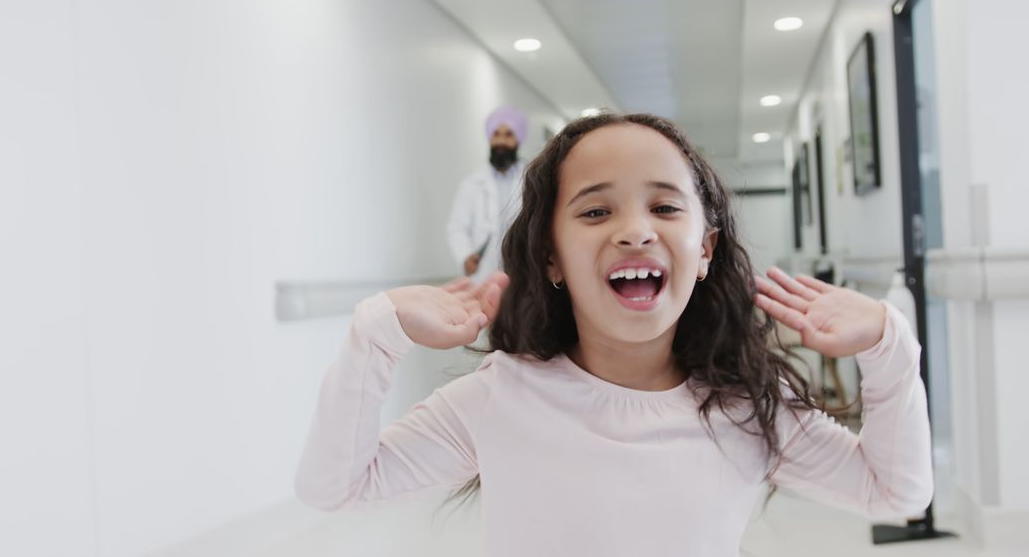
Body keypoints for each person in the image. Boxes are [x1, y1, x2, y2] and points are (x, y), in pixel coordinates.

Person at [295, 113, 933, 556]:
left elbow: (897, 490)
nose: (635, 231)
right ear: (550, 257)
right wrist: (376, 333)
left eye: (664, 206)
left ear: (705, 248)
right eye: (596, 211)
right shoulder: (502, 398)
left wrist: (888, 347)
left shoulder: (744, 408)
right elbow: (336, 486)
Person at [446, 105, 528, 280]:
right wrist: (465, 255)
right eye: (496, 134)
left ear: (518, 139)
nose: (501, 141)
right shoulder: (472, 184)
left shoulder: (532, 180)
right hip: (483, 275)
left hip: (524, 273)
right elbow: (456, 228)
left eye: (508, 135)